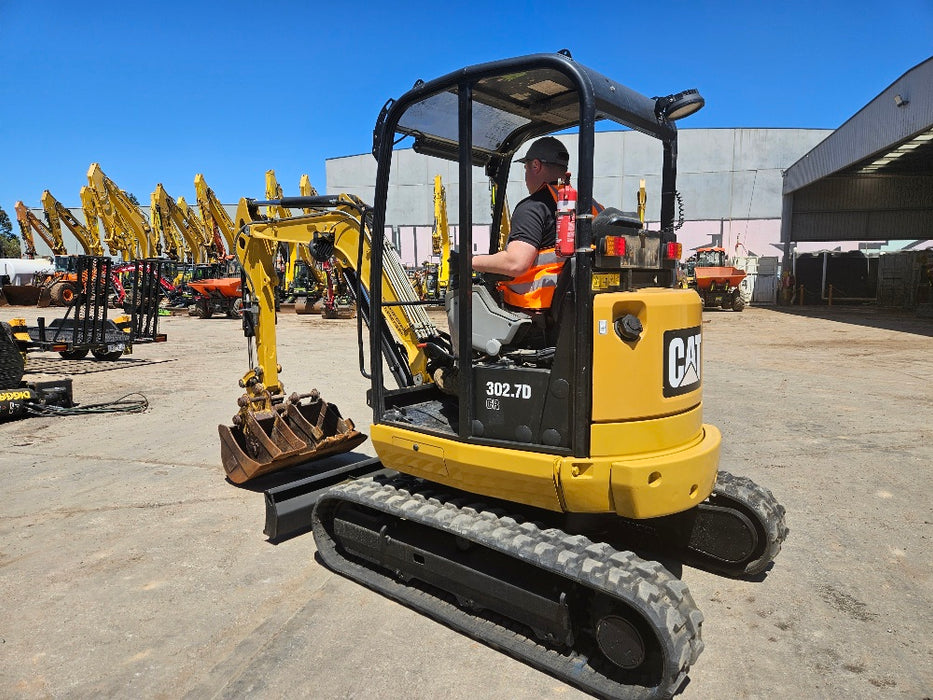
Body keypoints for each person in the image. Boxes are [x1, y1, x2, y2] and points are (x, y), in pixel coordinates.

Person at [472, 136, 570, 312]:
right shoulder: (590, 206)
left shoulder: (533, 207)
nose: (525, 177)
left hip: (536, 312)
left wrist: (468, 261)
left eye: (526, 168)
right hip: (573, 309)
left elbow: (516, 263)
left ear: (536, 166)